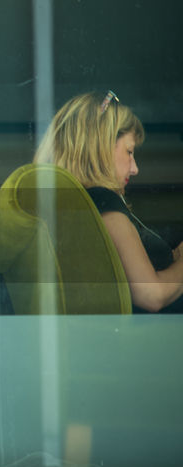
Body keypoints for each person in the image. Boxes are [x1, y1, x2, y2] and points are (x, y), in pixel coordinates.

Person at [34, 90, 183, 313]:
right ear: (100, 147)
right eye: (129, 152)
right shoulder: (102, 201)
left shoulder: (76, 207)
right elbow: (151, 295)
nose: (135, 168)